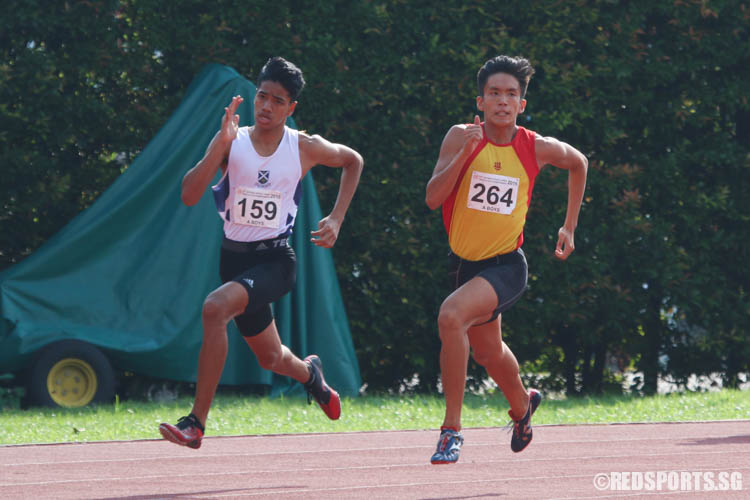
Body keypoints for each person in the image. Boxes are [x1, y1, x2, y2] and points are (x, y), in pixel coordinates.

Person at [159, 57, 364, 449]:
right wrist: (218, 146)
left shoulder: (303, 146)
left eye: (278, 101)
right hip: (234, 260)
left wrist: (337, 218)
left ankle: (196, 423)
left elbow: (353, 161)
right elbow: (188, 195)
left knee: (214, 308)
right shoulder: (230, 140)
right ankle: (311, 376)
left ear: (292, 108)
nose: (266, 106)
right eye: (262, 96)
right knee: (270, 357)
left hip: (274, 262)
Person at [424, 55, 587, 464]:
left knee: (450, 316)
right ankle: (522, 408)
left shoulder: (534, 146)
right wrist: (465, 154)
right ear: (480, 101)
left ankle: (451, 431)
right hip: (464, 265)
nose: (502, 101)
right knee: (488, 352)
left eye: (511, 94)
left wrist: (569, 226)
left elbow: (579, 162)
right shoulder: (459, 136)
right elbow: (432, 198)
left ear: (521, 105)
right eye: (494, 93)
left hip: (507, 265)